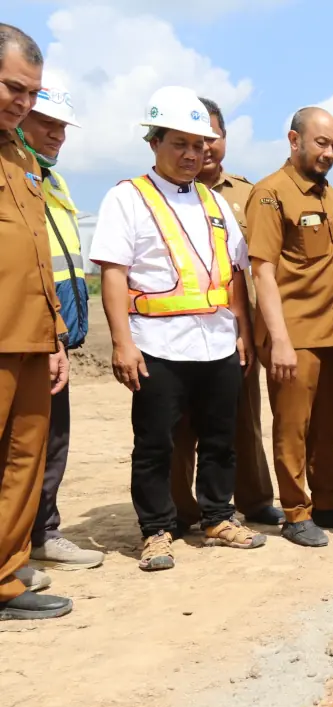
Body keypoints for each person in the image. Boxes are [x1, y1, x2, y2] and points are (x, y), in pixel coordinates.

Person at [92, 85, 265, 572]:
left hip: (215, 342)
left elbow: (233, 273)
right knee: (155, 445)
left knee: (219, 437)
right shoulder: (127, 198)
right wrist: (123, 344)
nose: (192, 154)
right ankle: (156, 529)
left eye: (199, 145)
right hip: (157, 345)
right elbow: (113, 274)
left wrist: (241, 334)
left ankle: (217, 516)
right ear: (154, 142)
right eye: (180, 144)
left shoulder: (214, 203)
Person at [170, 98, 283, 532]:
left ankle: (254, 500)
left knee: (243, 417)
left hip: (236, 329)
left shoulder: (246, 193)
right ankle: (183, 510)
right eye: (194, 140)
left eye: (212, 137)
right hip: (178, 330)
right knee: (180, 427)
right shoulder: (160, 197)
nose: (205, 148)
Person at [248, 107, 333, 547]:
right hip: (293, 335)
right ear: (294, 140)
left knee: (325, 427)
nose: (329, 152)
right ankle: (296, 512)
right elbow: (263, 272)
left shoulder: (330, 196)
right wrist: (278, 340)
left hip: (330, 334)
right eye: (321, 143)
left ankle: (327, 502)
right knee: (292, 428)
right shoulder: (270, 194)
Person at [0, 25, 74, 620]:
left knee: (26, 461)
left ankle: (5, 577)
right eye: (13, 88)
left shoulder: (26, 160)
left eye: (31, 93)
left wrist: (55, 338)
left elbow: (37, 253)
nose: (23, 102)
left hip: (31, 338)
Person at [17, 86, 104, 572]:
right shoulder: (14, 176)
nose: (58, 135)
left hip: (55, 337)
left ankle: (41, 533)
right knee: (19, 447)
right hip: (23, 336)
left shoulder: (53, 181)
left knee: (51, 442)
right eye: (48, 124)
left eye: (64, 127)